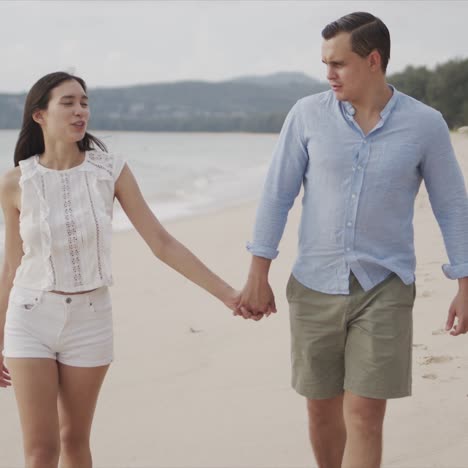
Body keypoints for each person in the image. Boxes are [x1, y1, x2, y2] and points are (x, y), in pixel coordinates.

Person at [235, 11, 468, 468]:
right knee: (322, 411)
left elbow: (452, 206)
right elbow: (276, 195)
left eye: (338, 63)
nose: (328, 74)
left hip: (385, 286)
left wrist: (465, 282)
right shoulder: (306, 116)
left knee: (363, 414)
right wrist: (257, 274)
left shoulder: (425, 125)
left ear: (373, 60)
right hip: (314, 285)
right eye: (325, 63)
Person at [0, 71, 240, 468]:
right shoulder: (15, 181)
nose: (81, 111)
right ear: (39, 115)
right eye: (69, 103)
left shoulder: (109, 171)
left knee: (73, 439)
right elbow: (11, 265)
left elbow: (161, 243)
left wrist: (227, 293)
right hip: (28, 318)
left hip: (89, 320)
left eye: (85, 102)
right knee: (40, 450)